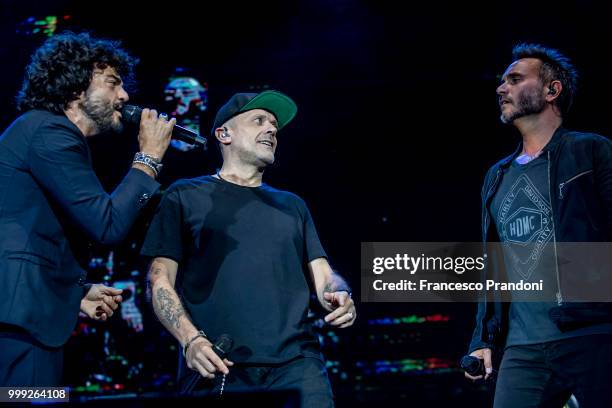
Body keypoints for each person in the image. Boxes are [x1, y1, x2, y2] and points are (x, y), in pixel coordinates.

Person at [142, 90, 356, 407]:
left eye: (274, 125)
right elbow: (158, 281)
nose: (271, 129)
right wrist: (191, 341)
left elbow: (325, 275)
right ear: (224, 133)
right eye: (259, 120)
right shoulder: (184, 195)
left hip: (297, 364)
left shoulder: (292, 205)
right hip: (219, 362)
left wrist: (339, 294)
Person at [0, 32, 175, 386]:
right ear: (77, 87)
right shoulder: (51, 131)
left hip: (24, 314)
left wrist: (75, 290)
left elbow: (31, 234)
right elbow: (106, 225)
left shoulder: (40, 134)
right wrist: (148, 159)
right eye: (112, 83)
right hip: (21, 318)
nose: (124, 96)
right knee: (30, 400)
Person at [464, 43, 612, 407]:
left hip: (590, 333)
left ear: (551, 90)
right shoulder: (496, 177)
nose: (502, 89)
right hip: (522, 348)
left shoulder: (591, 151)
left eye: (515, 79)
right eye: (502, 82)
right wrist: (483, 339)